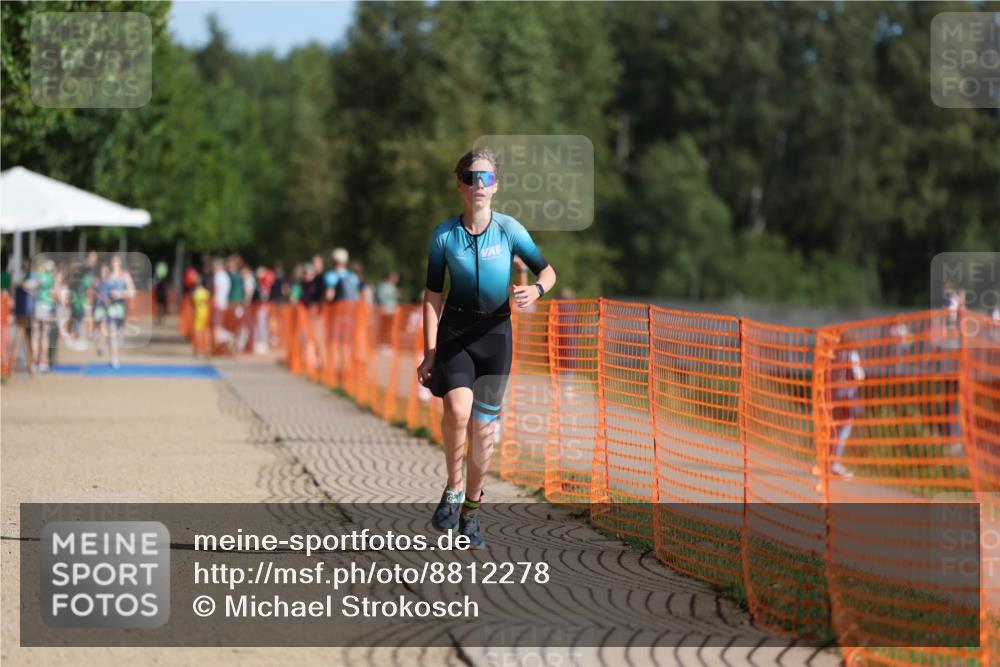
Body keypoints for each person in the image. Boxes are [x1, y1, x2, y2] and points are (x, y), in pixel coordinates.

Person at [418, 147, 557, 548]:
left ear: (496, 186)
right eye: (472, 177)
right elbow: (431, 295)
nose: (480, 185)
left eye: (487, 178)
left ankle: (473, 511)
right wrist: (429, 352)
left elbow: (547, 269)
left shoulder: (510, 229)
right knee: (458, 411)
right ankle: (454, 487)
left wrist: (537, 289)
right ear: (459, 183)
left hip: (496, 335)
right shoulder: (443, 236)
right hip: (456, 332)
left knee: (484, 429)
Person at [104, 254, 135, 369]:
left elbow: (132, 291)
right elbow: (104, 293)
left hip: (121, 310)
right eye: (113, 263)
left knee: (119, 336)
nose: (114, 265)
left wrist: (121, 294)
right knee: (112, 333)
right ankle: (114, 358)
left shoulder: (125, 276)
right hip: (111, 310)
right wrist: (108, 297)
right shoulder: (108, 277)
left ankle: (115, 354)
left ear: (120, 264)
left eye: (116, 263)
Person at [191, 274, 211, 357]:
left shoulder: (195, 293)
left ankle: (198, 349)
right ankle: (207, 348)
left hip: (198, 313)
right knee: (206, 331)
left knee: (198, 332)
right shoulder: (206, 292)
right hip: (206, 313)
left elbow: (192, 303)